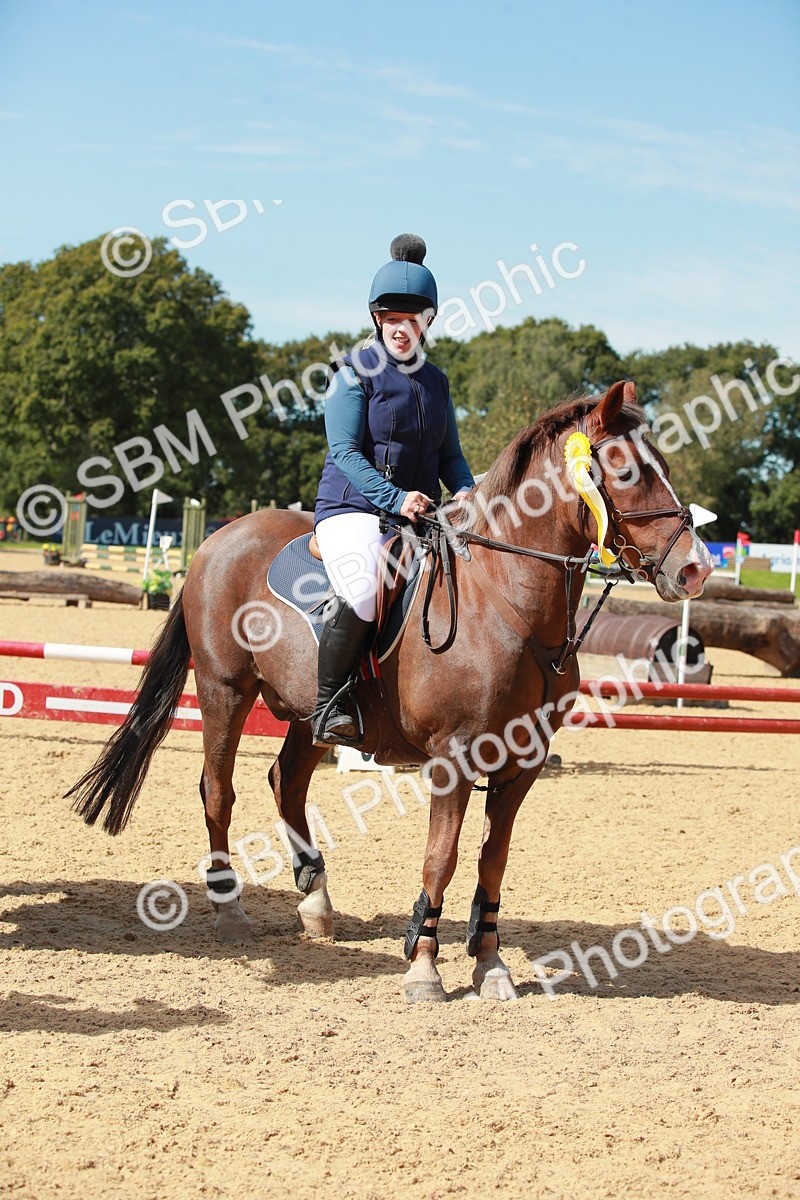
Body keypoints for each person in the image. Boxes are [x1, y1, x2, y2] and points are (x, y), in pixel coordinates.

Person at [311, 233, 475, 746]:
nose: (402, 328)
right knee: (363, 587)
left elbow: (449, 455)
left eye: (413, 317)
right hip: (352, 508)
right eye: (391, 317)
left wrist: (467, 490)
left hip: (417, 514)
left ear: (428, 320)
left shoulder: (437, 382)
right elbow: (345, 453)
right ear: (377, 318)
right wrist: (396, 499)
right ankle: (327, 704)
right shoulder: (353, 374)